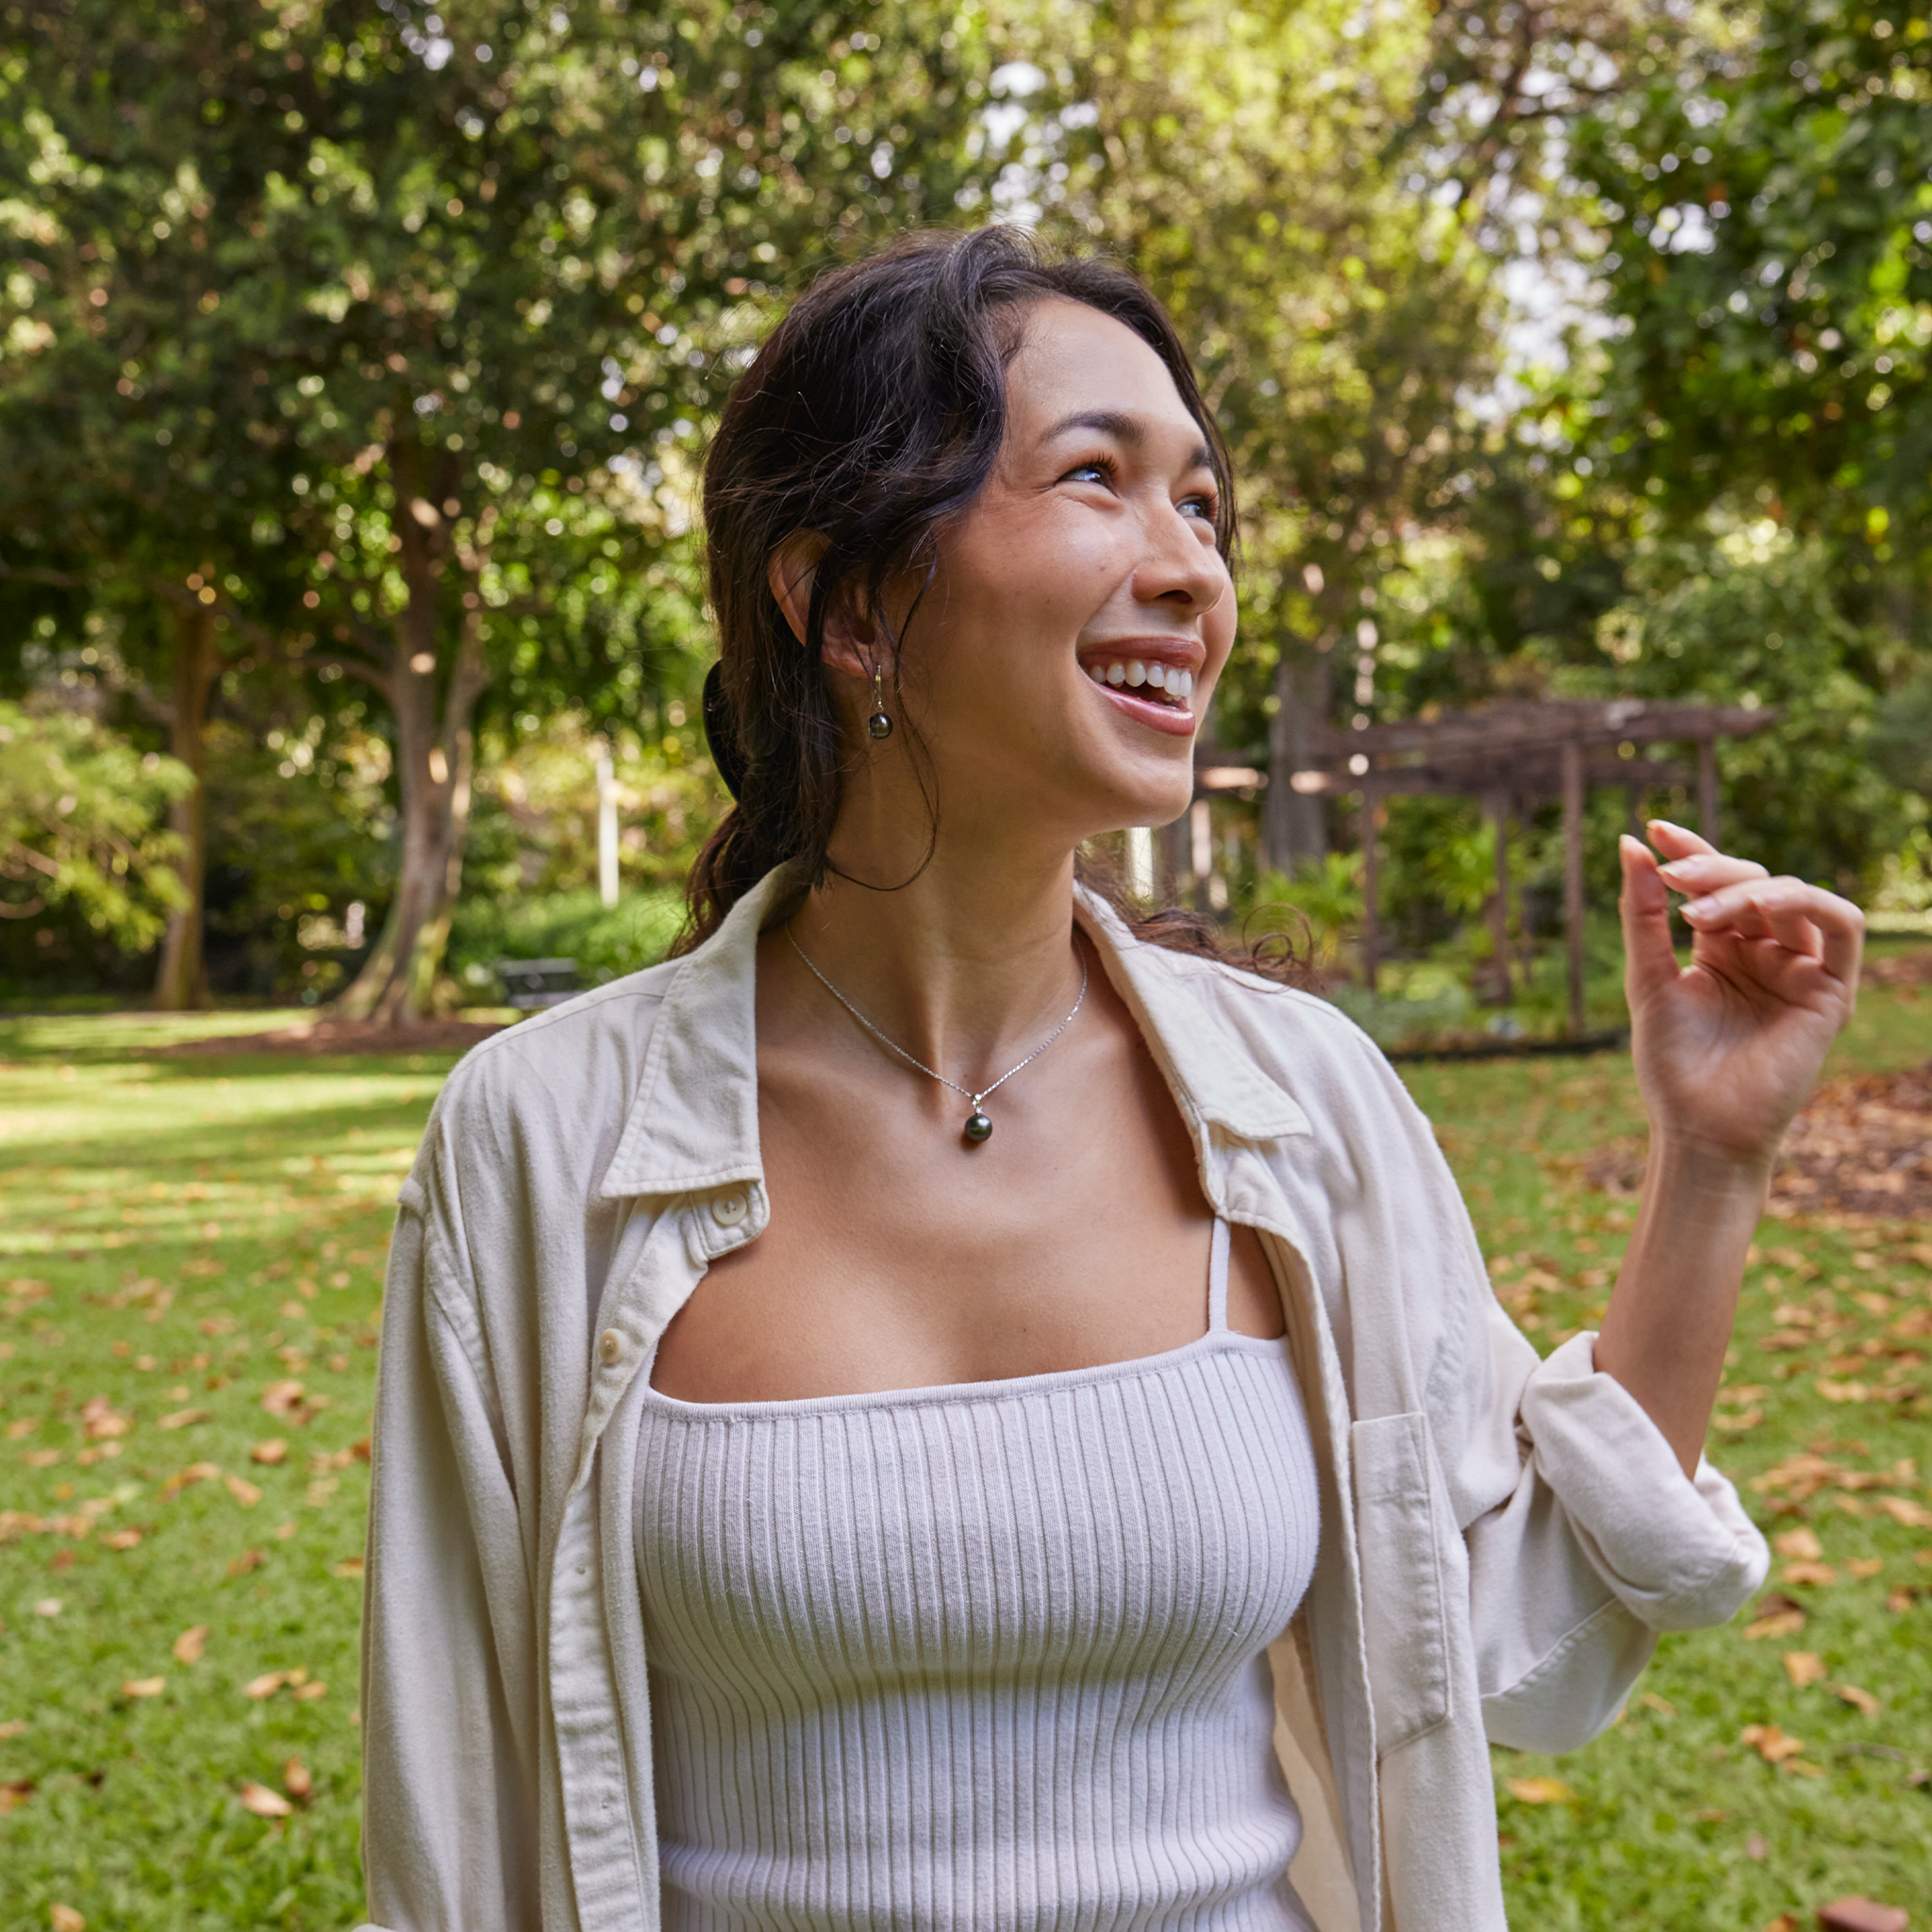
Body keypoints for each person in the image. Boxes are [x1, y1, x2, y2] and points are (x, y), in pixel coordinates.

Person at [357, 227, 1864, 1932]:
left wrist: (1716, 1159)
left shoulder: (1304, 1108)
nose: (1192, 571)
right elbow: (454, 1800)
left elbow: (1530, 1640)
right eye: (1099, 481)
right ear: (847, 602)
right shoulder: (542, 1147)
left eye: (1203, 509)